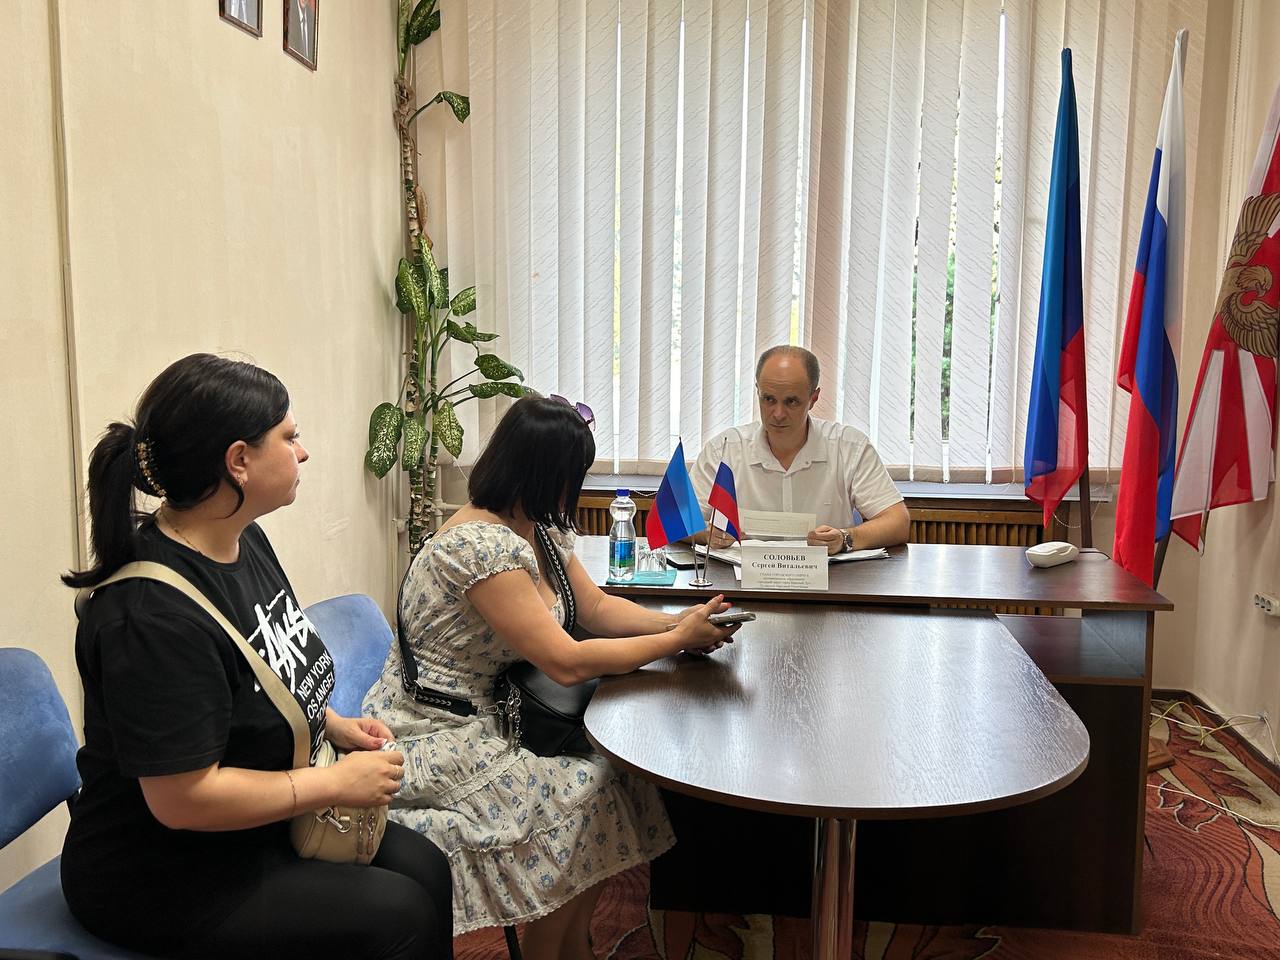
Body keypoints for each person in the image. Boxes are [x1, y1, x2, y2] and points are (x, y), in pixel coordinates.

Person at [60, 354, 453, 960]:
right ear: (239, 460)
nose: (303, 453)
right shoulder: (151, 616)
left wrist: (334, 725)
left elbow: (266, 676)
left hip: (252, 826)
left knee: (428, 868)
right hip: (163, 873)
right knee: (399, 917)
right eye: (290, 437)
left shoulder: (244, 540)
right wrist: (332, 785)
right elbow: (183, 800)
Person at [363, 396, 740, 960]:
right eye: (574, 475)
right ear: (545, 473)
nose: (577, 488)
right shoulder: (477, 547)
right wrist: (673, 642)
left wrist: (679, 622)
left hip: (498, 708)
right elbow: (565, 660)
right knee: (580, 800)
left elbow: (594, 609)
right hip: (436, 726)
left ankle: (571, 947)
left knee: (613, 778)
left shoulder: (535, 528)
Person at [690, 344, 911, 554]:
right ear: (757, 391)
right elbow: (678, 518)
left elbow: (897, 521)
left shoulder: (849, 446)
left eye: (791, 402)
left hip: (830, 583)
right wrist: (706, 534)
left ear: (813, 398)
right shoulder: (725, 449)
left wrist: (845, 538)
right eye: (768, 399)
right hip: (741, 584)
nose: (777, 413)